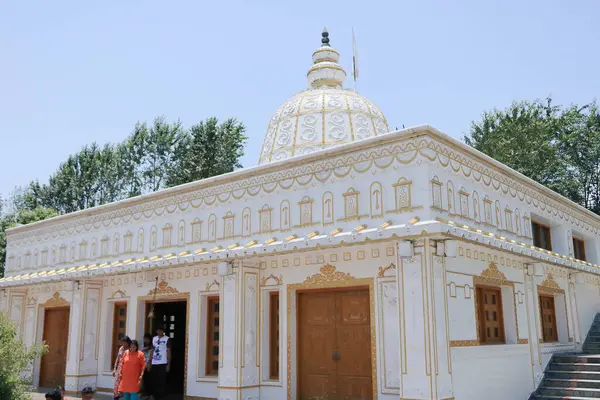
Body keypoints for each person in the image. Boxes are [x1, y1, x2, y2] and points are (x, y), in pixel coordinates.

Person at [151, 326, 171, 400]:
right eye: (158, 330)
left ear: (163, 331)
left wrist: (168, 364)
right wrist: (150, 361)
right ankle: (154, 396)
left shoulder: (167, 339)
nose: (159, 332)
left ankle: (161, 396)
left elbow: (168, 351)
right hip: (154, 362)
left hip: (163, 362)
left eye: (161, 330)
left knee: (161, 381)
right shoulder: (154, 338)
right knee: (154, 380)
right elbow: (152, 350)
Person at [113, 335, 132, 399]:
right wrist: (114, 369)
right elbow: (117, 359)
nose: (123, 344)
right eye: (122, 342)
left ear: (128, 342)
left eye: (125, 342)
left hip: (127, 370)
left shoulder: (131, 349)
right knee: (116, 386)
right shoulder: (121, 348)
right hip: (119, 369)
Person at [140, 333, 154, 399]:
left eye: (148, 339)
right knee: (144, 380)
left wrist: (149, 364)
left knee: (150, 380)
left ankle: (150, 394)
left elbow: (150, 356)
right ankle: (145, 394)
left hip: (149, 365)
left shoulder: (152, 347)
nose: (146, 340)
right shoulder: (142, 346)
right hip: (143, 365)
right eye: (145, 339)